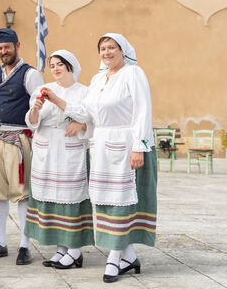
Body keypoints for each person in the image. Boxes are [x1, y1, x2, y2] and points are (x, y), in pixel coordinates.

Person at [81, 33, 156, 283]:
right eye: (102, 48)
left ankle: (113, 257)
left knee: (121, 202)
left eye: (111, 47)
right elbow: (88, 112)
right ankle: (129, 256)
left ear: (123, 50)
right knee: (105, 201)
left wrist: (139, 147)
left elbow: (143, 110)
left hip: (126, 144)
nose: (106, 52)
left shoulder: (133, 74)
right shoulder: (97, 78)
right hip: (101, 146)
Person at [24, 50, 94, 270]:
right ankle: (61, 249)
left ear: (70, 67)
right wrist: (35, 110)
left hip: (69, 151)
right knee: (51, 198)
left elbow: (89, 116)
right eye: (52, 65)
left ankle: (75, 250)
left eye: (59, 65)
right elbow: (32, 123)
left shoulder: (84, 92)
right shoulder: (42, 89)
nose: (54, 69)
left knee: (70, 197)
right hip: (46, 150)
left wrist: (81, 124)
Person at [0, 28, 44, 265]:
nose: (3, 51)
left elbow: (39, 106)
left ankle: (24, 245)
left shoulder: (31, 74)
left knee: (21, 194)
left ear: (17, 45)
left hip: (18, 139)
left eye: (7, 47)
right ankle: (0, 242)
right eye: (0, 48)